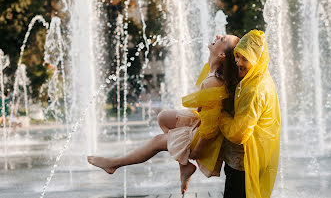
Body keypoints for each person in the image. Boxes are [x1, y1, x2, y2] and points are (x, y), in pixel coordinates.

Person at [88, 34, 240, 194]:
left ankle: (114, 164)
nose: (217, 36)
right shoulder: (209, 71)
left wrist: (197, 152)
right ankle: (184, 165)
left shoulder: (214, 82)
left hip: (205, 138)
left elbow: (212, 125)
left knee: (157, 141)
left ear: (222, 54)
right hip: (201, 123)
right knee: (163, 118)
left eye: (222, 39)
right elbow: (204, 112)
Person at [219, 30, 281, 198]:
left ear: (256, 60)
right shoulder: (259, 77)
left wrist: (220, 115)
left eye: (244, 58)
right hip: (250, 161)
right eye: (237, 56)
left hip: (243, 164)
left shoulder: (254, 90)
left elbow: (239, 134)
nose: (238, 62)